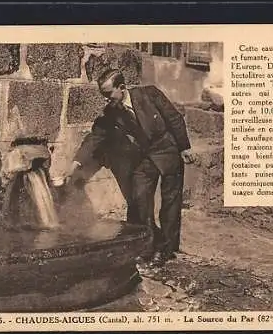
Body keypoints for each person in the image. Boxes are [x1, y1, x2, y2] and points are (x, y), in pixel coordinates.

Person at [66, 69, 194, 267]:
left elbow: (174, 118)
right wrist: (76, 162)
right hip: (146, 157)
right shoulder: (111, 112)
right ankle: (148, 243)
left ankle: (167, 249)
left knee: (171, 202)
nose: (106, 100)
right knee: (139, 197)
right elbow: (95, 136)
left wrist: (184, 147)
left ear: (122, 88)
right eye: (103, 95)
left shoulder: (149, 94)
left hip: (167, 149)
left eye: (109, 94)